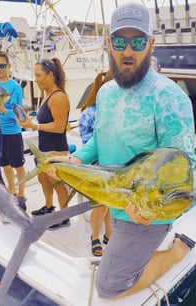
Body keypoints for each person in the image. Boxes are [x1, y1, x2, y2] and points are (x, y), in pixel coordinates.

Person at [44, 2, 196, 299]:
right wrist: (73, 160)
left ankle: (178, 250)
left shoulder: (169, 97)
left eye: (138, 41)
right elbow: (100, 141)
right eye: (120, 41)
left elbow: (183, 170)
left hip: (145, 214)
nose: (128, 50)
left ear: (151, 44)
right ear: (109, 44)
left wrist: (147, 214)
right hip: (112, 199)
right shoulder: (106, 92)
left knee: (109, 287)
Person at [17, 57, 70, 230]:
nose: (36, 79)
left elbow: (59, 126)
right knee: (43, 180)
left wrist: (34, 125)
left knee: (57, 184)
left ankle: (64, 217)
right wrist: (31, 121)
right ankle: (49, 207)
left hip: (56, 151)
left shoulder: (59, 97)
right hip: (44, 148)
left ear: (51, 75)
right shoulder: (48, 97)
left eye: (39, 75)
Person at [79, 70, 113, 257]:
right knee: (100, 206)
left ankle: (109, 235)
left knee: (108, 204)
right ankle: (95, 237)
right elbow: (91, 144)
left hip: (111, 167)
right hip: (97, 167)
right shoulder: (91, 113)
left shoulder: (113, 111)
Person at [0, 50, 26, 207]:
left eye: (2, 65)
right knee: (4, 165)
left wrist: (3, 109)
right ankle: (12, 192)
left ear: (9, 66)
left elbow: (20, 115)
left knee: (18, 165)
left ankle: (22, 195)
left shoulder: (15, 88)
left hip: (12, 133)